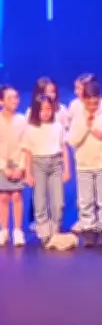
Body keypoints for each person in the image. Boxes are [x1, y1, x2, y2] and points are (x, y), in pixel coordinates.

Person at [67, 80, 102, 247]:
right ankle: (88, 228)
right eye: (89, 103)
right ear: (84, 100)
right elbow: (72, 140)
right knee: (85, 200)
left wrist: (92, 126)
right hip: (84, 164)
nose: (93, 106)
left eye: (96, 103)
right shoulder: (78, 115)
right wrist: (85, 125)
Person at [23, 94, 71, 245]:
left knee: (58, 201)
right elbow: (28, 152)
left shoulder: (57, 127)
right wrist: (28, 173)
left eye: (49, 109)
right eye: (42, 109)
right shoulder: (31, 128)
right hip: (38, 164)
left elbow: (64, 148)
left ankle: (55, 230)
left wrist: (67, 170)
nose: (46, 112)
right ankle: (44, 233)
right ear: (36, 111)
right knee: (40, 200)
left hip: (56, 163)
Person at [0, 86, 28, 246]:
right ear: (1, 101)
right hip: (2, 165)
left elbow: (25, 145)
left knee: (17, 196)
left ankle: (17, 230)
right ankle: (4, 230)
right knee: (3, 197)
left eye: (16, 97)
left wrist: (21, 167)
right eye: (10, 98)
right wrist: (4, 167)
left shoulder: (22, 120)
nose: (15, 101)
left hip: (18, 164)